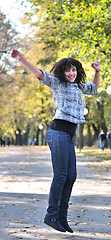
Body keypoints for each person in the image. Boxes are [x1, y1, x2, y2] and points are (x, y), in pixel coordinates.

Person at [11, 49, 100, 233]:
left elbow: (94, 87)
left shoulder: (79, 87)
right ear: (62, 72)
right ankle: (51, 215)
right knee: (61, 175)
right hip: (58, 132)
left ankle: (61, 216)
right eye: (67, 70)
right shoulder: (58, 84)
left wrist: (97, 71)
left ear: (77, 71)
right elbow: (39, 73)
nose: (71, 73)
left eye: (73, 70)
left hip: (67, 136)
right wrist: (22, 59)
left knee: (71, 176)